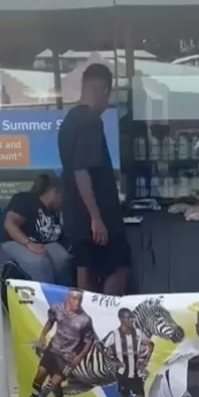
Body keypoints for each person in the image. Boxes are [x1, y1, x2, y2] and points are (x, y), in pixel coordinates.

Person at [58, 63, 131, 294]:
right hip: (96, 216)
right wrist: (96, 218)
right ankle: (107, 318)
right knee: (120, 267)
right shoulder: (91, 121)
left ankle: (85, 324)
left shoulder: (69, 121)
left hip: (76, 215)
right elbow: (81, 169)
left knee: (85, 270)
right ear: (104, 90)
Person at [0, 173, 72, 285]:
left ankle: (62, 295)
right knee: (39, 262)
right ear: (55, 192)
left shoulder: (52, 212)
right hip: (11, 242)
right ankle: (44, 299)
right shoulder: (26, 200)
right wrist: (28, 243)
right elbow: (9, 223)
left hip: (40, 244)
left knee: (62, 258)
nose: (63, 202)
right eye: (63, 197)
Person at [30, 289, 95, 397]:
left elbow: (89, 341)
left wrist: (80, 356)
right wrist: (42, 335)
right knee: (40, 374)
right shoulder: (57, 309)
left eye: (79, 299)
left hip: (68, 356)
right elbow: (50, 322)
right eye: (74, 298)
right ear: (67, 298)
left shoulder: (85, 319)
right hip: (53, 349)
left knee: (54, 382)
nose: (77, 302)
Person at [103, 308, 154, 397]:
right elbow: (101, 346)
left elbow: (151, 344)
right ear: (121, 319)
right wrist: (111, 361)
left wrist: (145, 361)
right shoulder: (114, 334)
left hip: (136, 374)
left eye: (132, 318)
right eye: (129, 318)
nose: (132, 320)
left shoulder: (139, 333)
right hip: (122, 373)